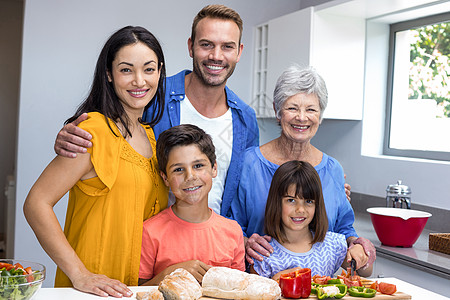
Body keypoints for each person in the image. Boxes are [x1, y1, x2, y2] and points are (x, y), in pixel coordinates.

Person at [53, 4, 259, 217]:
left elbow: (242, 195)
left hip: (215, 243)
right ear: (191, 46)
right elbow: (105, 130)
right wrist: (69, 136)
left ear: (239, 52)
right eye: (206, 44)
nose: (216, 56)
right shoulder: (151, 94)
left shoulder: (246, 119)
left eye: (227, 46)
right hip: (149, 240)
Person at [23, 26, 169, 297]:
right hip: (90, 292)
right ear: (109, 75)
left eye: (149, 69)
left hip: (134, 289)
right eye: (126, 70)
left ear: (160, 72)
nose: (139, 80)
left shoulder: (150, 136)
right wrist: (80, 274)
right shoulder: (93, 130)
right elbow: (36, 203)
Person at [230, 65, 375, 274]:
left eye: (311, 109)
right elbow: (227, 224)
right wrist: (244, 241)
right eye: (292, 108)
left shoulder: (333, 169)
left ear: (320, 116)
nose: (301, 117)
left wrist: (357, 245)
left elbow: (344, 230)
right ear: (277, 111)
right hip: (258, 281)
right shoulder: (248, 163)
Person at [138, 124, 245, 285]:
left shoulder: (232, 231)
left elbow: (240, 288)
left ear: (214, 168)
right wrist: (170, 273)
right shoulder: (150, 232)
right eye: (178, 169)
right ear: (165, 178)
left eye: (198, 166)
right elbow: (138, 291)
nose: (190, 176)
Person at [250, 160, 373, 279]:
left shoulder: (332, 245)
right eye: (291, 200)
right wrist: (276, 280)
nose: (300, 209)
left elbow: (366, 271)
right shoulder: (263, 253)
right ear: (276, 202)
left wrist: (359, 253)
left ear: (317, 205)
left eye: (308, 201)